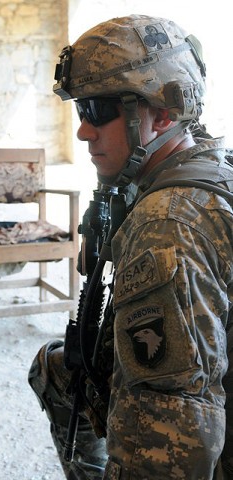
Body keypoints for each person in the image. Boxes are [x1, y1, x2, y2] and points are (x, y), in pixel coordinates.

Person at [28, 14, 233, 479]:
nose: (83, 131)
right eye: (81, 111)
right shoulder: (209, 166)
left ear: (161, 113)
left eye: (99, 111)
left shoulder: (168, 225)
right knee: (58, 368)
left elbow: (170, 437)